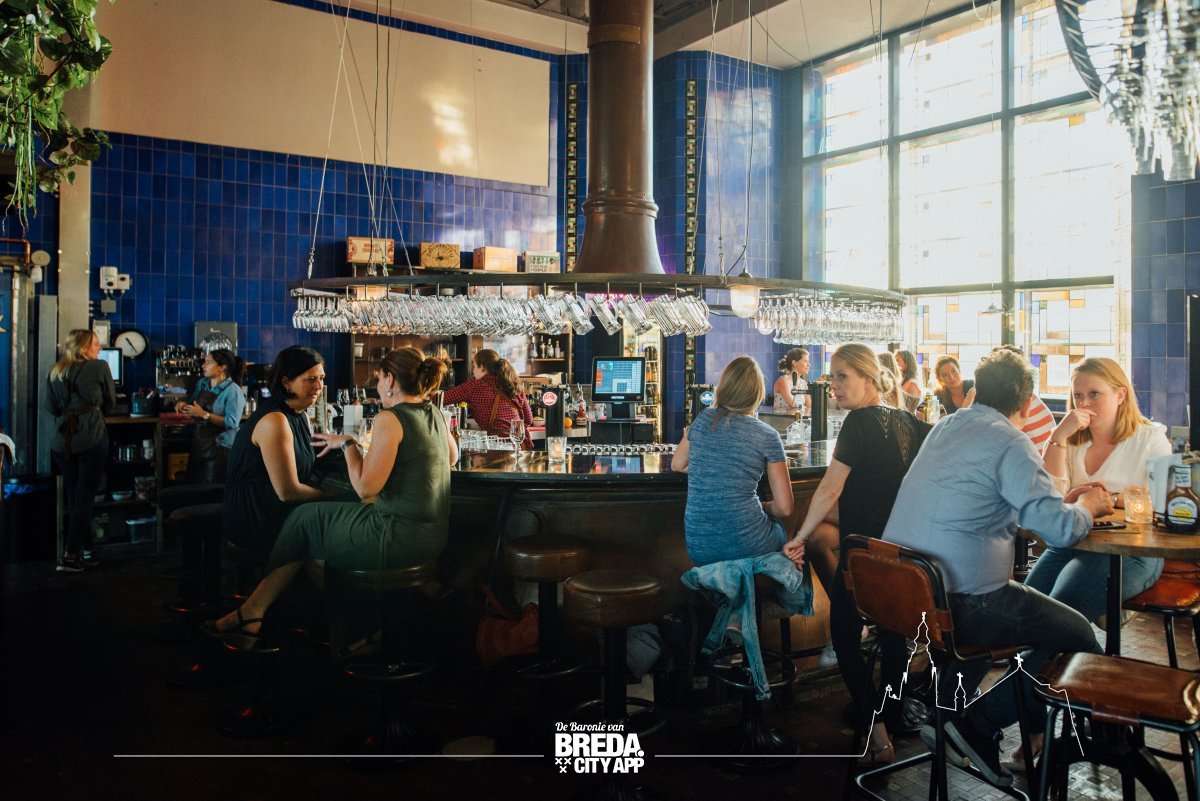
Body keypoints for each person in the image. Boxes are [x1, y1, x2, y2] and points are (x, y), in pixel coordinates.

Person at [882, 348, 1113, 787]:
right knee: (1078, 633)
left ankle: (948, 722)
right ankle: (980, 724)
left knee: (1009, 627)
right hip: (963, 603)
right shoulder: (1010, 441)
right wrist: (1088, 505)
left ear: (977, 390)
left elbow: (986, 502)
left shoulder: (948, 426)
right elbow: (1061, 532)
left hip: (904, 594)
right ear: (1027, 403)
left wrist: (1054, 505)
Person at [208, 347, 457, 653]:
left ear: (390, 379)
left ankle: (258, 613)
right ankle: (357, 632)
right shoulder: (434, 412)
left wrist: (349, 444)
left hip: (398, 535)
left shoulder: (390, 417)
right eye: (311, 378)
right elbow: (452, 456)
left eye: (379, 377)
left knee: (305, 520)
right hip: (435, 537)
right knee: (322, 547)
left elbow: (365, 488)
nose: (378, 384)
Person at [783, 344, 932, 764]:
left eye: (842, 375)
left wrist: (801, 536)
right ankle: (891, 717)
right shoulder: (908, 421)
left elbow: (830, 488)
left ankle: (877, 734)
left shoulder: (859, 422)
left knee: (845, 639)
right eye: (833, 376)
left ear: (868, 378)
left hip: (864, 553)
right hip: (900, 551)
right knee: (893, 635)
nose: (834, 384)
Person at [1026, 357, 1170, 624]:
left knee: (1061, 608)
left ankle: (1060, 651)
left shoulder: (1150, 438)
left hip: (1133, 551)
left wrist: (1110, 499)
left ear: (1120, 395)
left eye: (1094, 394)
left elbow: (1165, 501)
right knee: (1025, 604)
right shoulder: (1070, 440)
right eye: (1078, 396)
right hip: (1074, 543)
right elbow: (1051, 499)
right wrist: (1057, 437)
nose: (1084, 404)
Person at [673, 356, 795, 566]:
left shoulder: (703, 418)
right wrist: (764, 506)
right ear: (758, 393)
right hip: (748, 544)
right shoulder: (768, 435)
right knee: (791, 539)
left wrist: (714, 468)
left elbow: (678, 464)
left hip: (699, 547)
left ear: (724, 387)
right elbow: (785, 509)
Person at [222, 346, 330, 556]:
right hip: (256, 517)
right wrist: (335, 496)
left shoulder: (301, 416)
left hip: (276, 510)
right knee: (329, 536)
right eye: (310, 379)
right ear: (286, 382)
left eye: (322, 378)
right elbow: (288, 492)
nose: (319, 386)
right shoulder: (275, 420)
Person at [46, 329, 115, 572]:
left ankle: (87, 550)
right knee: (85, 497)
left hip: (61, 441)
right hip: (91, 438)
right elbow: (111, 402)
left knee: (75, 496)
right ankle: (70, 555)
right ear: (84, 347)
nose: (99, 348)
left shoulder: (56, 370)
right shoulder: (100, 367)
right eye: (96, 344)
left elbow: (51, 408)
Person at [176, 348, 246, 483]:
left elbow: (232, 423)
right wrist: (183, 405)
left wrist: (204, 414)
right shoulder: (202, 384)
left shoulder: (233, 390)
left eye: (208, 362)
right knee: (195, 486)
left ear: (222, 367)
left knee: (213, 489)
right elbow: (194, 405)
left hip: (220, 450)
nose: (203, 365)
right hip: (199, 445)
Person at [442, 348, 532, 447]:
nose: (473, 371)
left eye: (474, 366)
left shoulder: (474, 386)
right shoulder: (513, 384)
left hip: (497, 447)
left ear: (482, 367)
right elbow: (528, 420)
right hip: (521, 444)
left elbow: (442, 398)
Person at [772, 347, 810, 415]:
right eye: (805, 361)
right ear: (794, 363)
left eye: (808, 362)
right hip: (781, 420)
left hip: (797, 420)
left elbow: (809, 406)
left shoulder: (803, 383)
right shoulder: (784, 380)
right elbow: (792, 403)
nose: (808, 365)